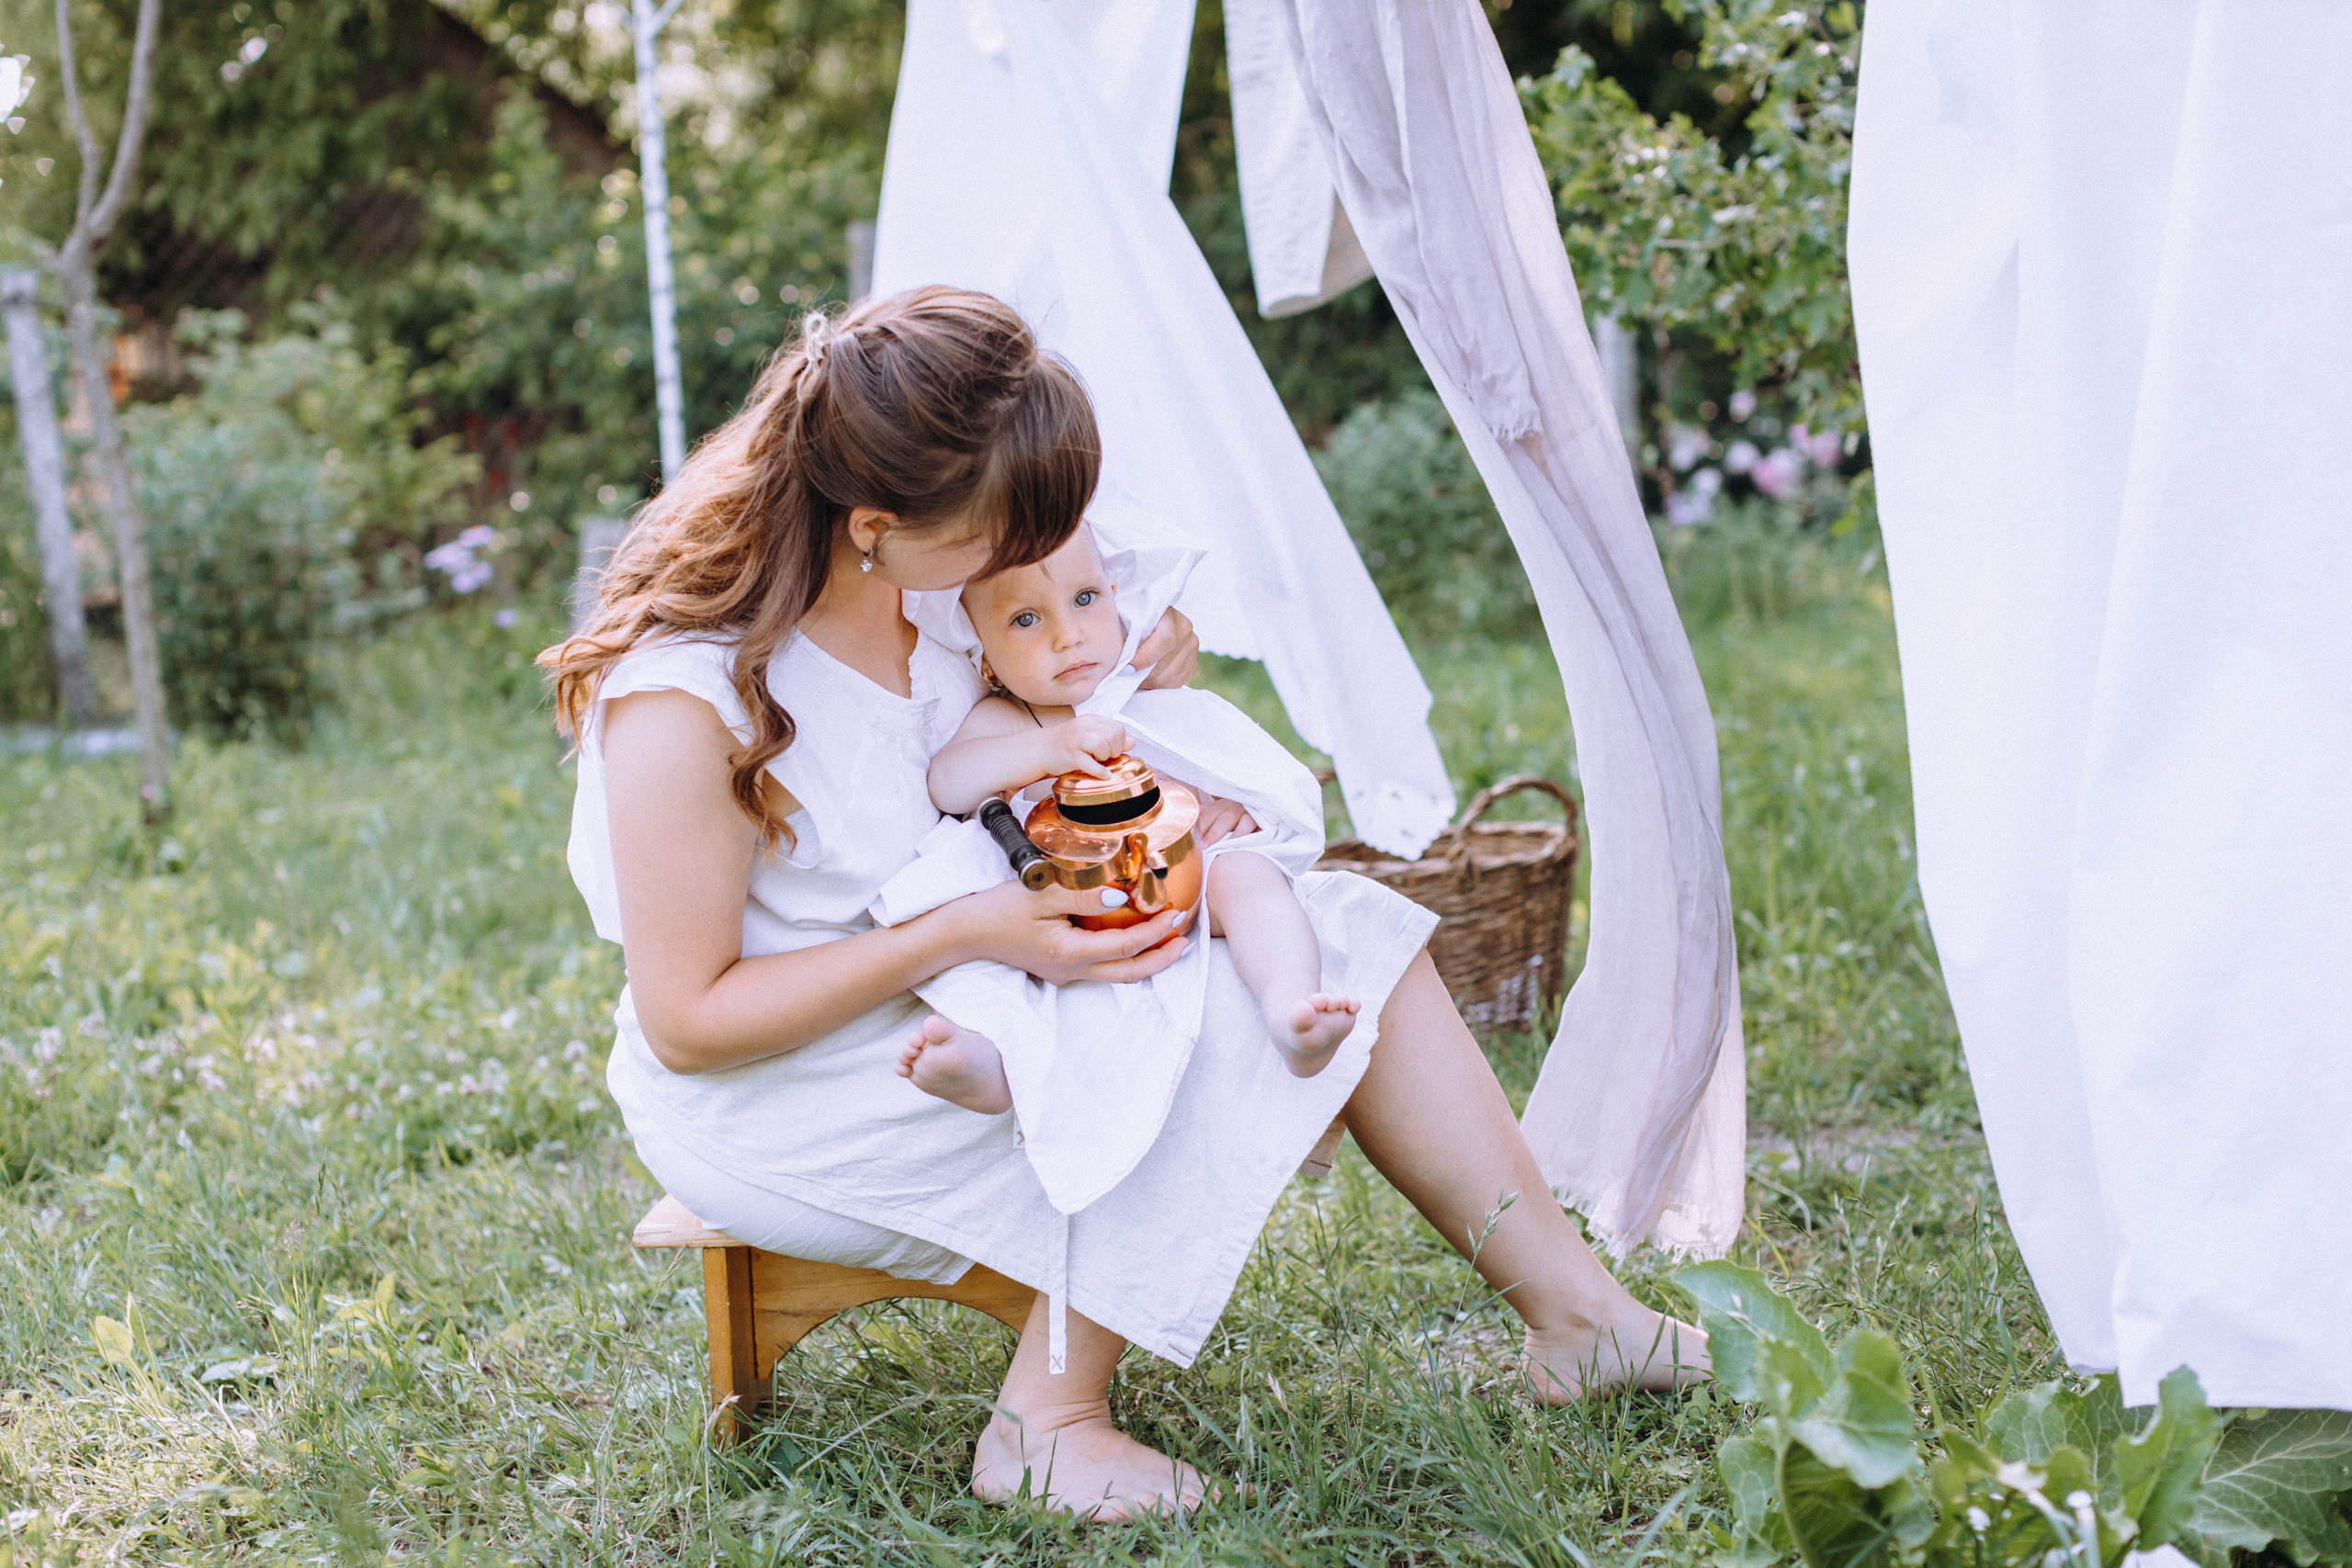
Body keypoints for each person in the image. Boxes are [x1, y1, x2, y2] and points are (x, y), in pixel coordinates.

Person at [544, 286, 1704, 1521]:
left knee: (1346, 935)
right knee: (1183, 1021)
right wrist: (972, 933)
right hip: (789, 1082)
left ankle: (1579, 1320)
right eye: (1008, 531)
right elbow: (690, 1019)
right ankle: (1046, 1425)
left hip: (973, 977)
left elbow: (1046, 710)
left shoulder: (930, 590)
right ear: (874, 522)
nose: (1028, 552)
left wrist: (1144, 665)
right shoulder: (691, 698)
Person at [896, 523, 1360, 1128]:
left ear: (1116, 596)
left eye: (1085, 600)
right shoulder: (1009, 717)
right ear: (984, 653)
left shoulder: (1139, 694)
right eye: (1026, 620)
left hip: (1175, 882)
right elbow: (948, 782)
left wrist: (1231, 804)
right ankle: (985, 1062)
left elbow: (1210, 760)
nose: (1068, 636)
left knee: (1248, 874)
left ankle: (1292, 1003)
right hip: (1063, 901)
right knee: (987, 952)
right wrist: (1046, 748)